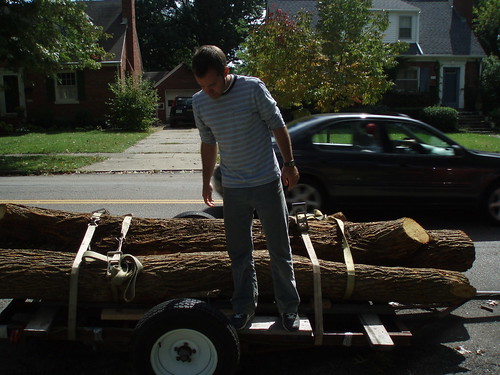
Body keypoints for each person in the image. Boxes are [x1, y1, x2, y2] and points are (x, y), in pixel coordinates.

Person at [191, 45, 301, 332]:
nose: (209, 92)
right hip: (234, 187)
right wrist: (205, 180)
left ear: (226, 71)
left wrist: (289, 164)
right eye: (202, 86)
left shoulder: (252, 89)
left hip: (266, 181)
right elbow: (208, 142)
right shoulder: (199, 102)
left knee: (279, 248)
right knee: (239, 252)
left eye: (212, 84)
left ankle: (288, 309)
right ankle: (243, 307)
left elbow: (278, 125)